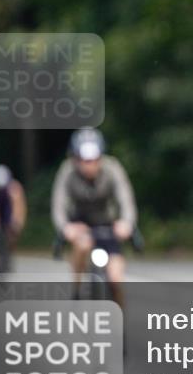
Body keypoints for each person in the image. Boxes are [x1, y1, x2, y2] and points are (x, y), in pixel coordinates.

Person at [51, 128, 137, 307]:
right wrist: (65, 227)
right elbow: (59, 204)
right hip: (81, 226)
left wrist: (126, 223)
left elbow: (126, 199)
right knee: (82, 245)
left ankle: (119, 323)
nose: (89, 165)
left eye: (93, 160)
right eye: (84, 160)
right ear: (75, 158)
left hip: (108, 228)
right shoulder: (67, 171)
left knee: (115, 279)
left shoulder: (113, 168)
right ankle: (77, 288)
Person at [0, 164, 27, 274]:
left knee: (10, 235)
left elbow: (19, 208)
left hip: (7, 214)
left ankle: (8, 258)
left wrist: (17, 224)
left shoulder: (15, 188)